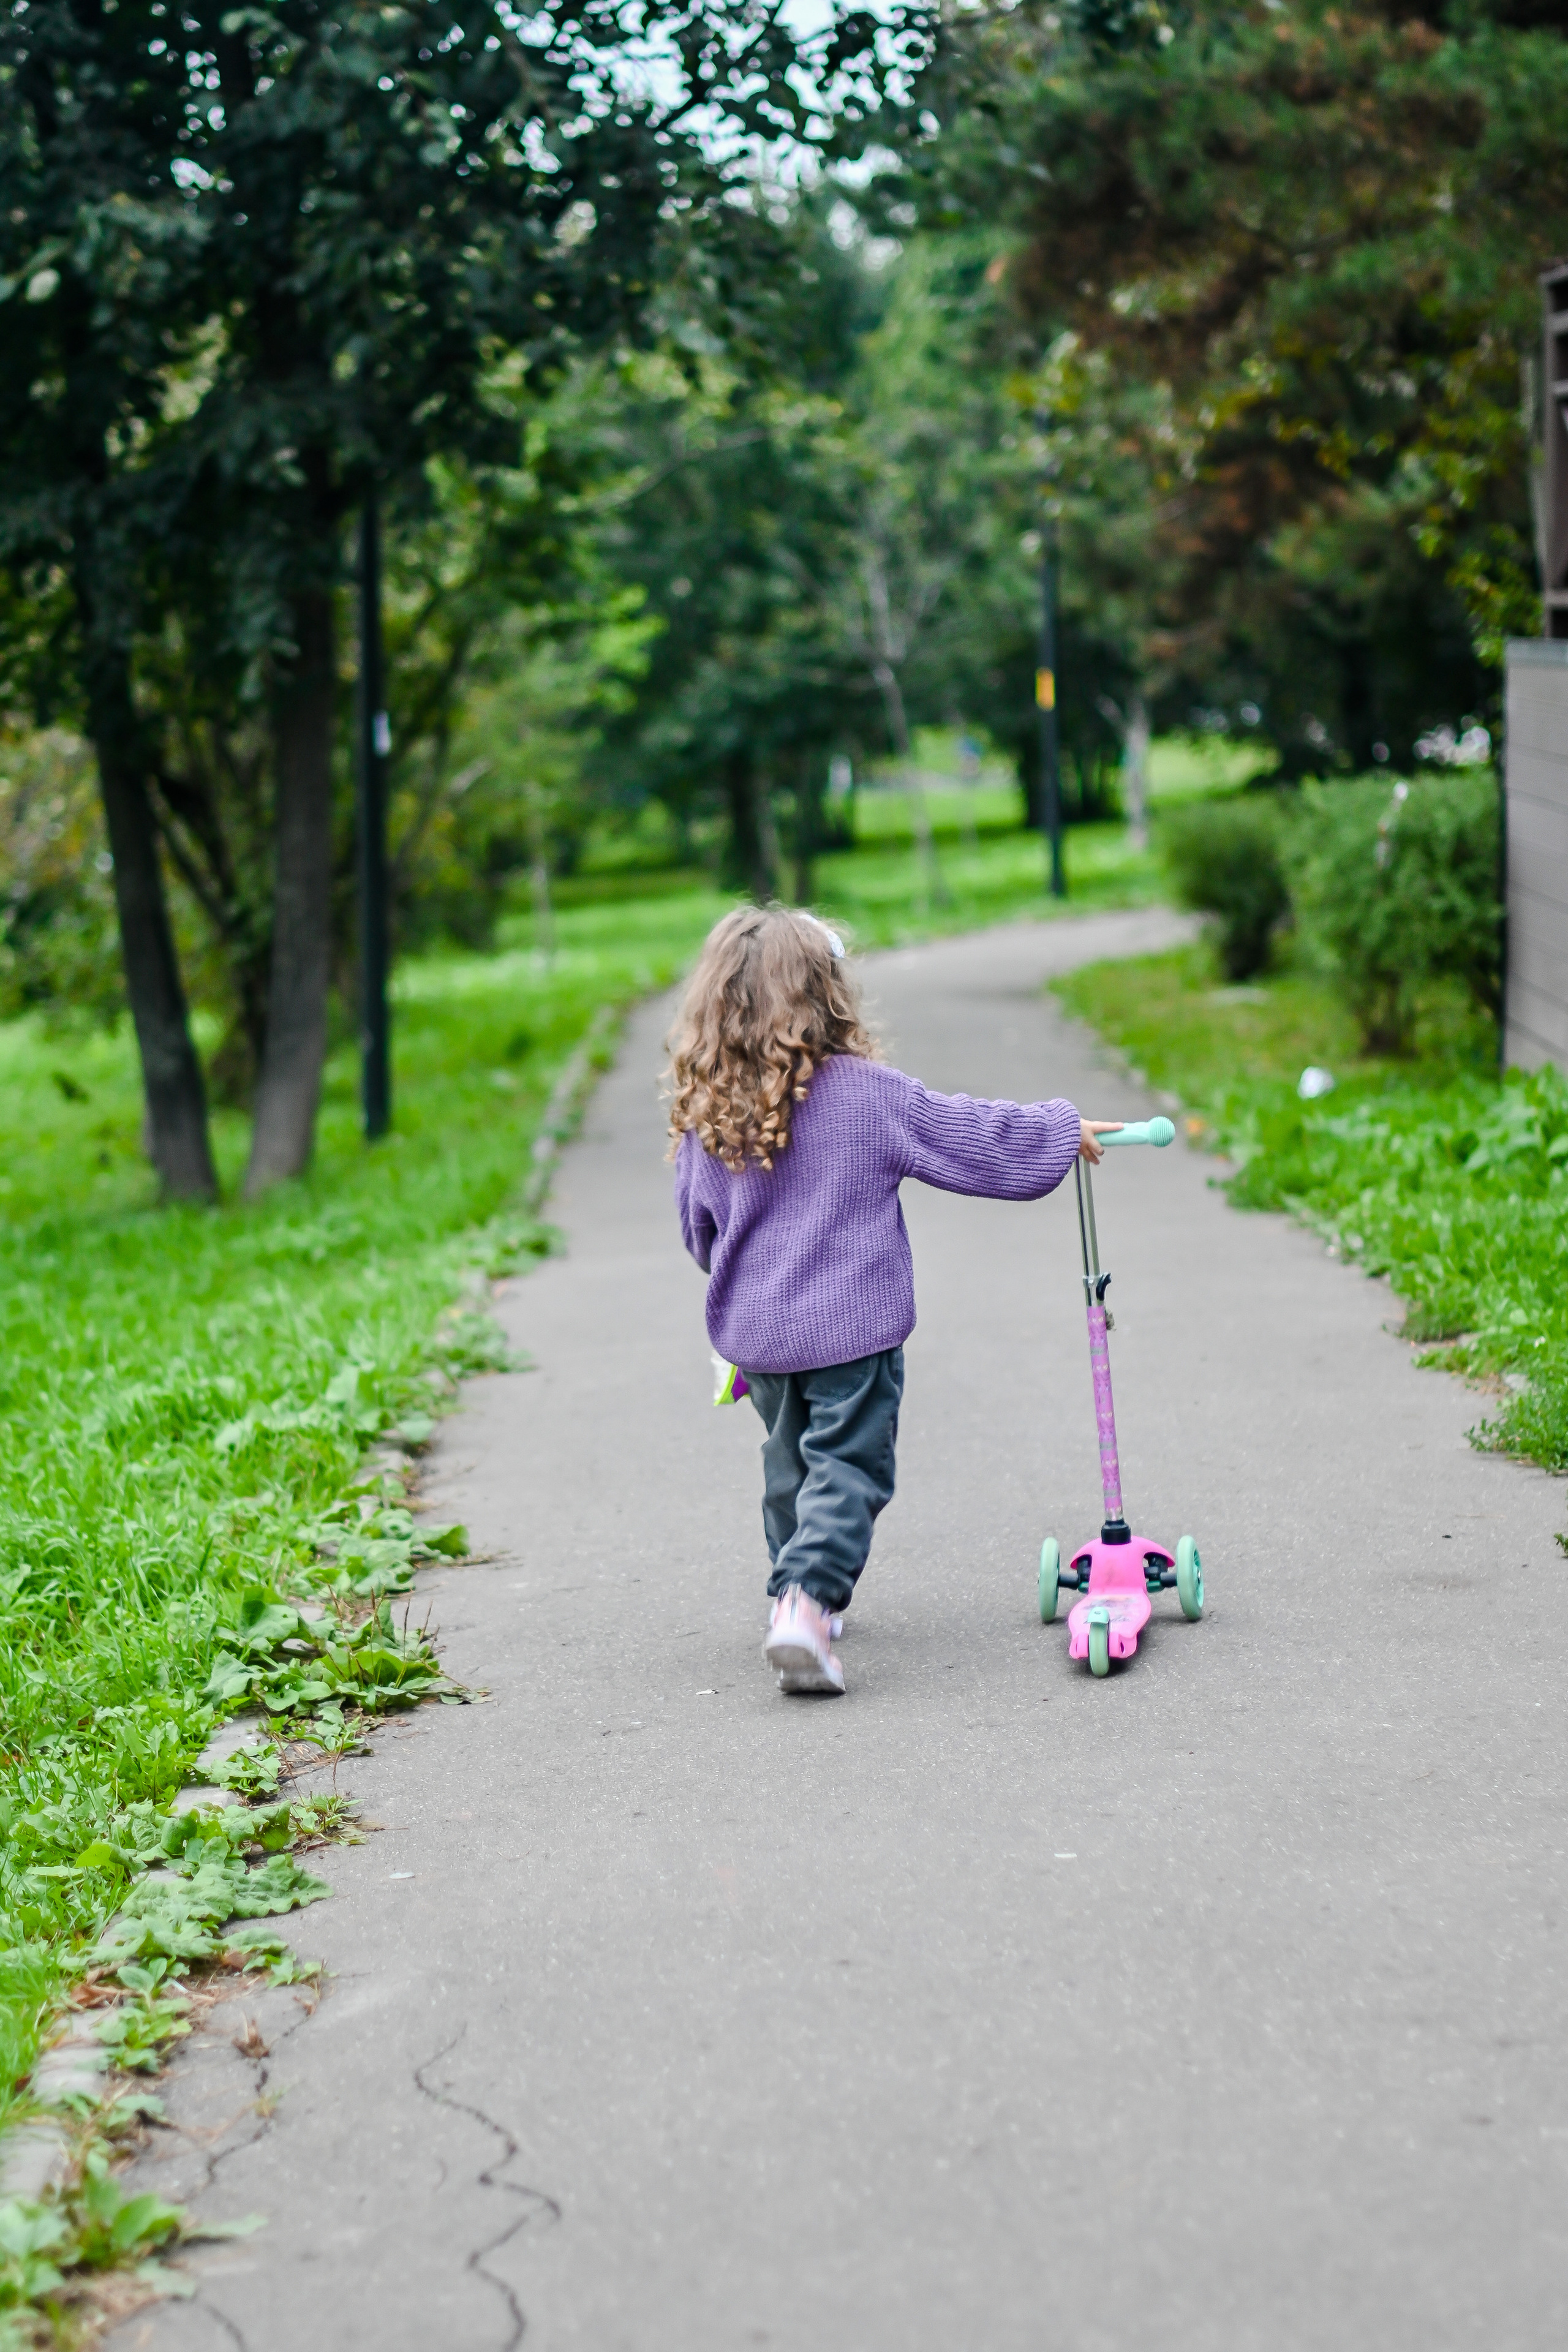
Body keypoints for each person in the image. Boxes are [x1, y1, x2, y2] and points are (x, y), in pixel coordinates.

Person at [668, 905, 1117, 1697]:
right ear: (828, 994)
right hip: (852, 1331)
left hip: (759, 1338)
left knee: (789, 1464)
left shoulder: (710, 1117)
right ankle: (807, 1605)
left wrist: (750, 1279)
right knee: (847, 1467)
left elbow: (699, 1232)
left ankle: (790, 1593)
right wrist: (1059, 1129)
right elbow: (970, 1135)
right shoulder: (865, 1096)